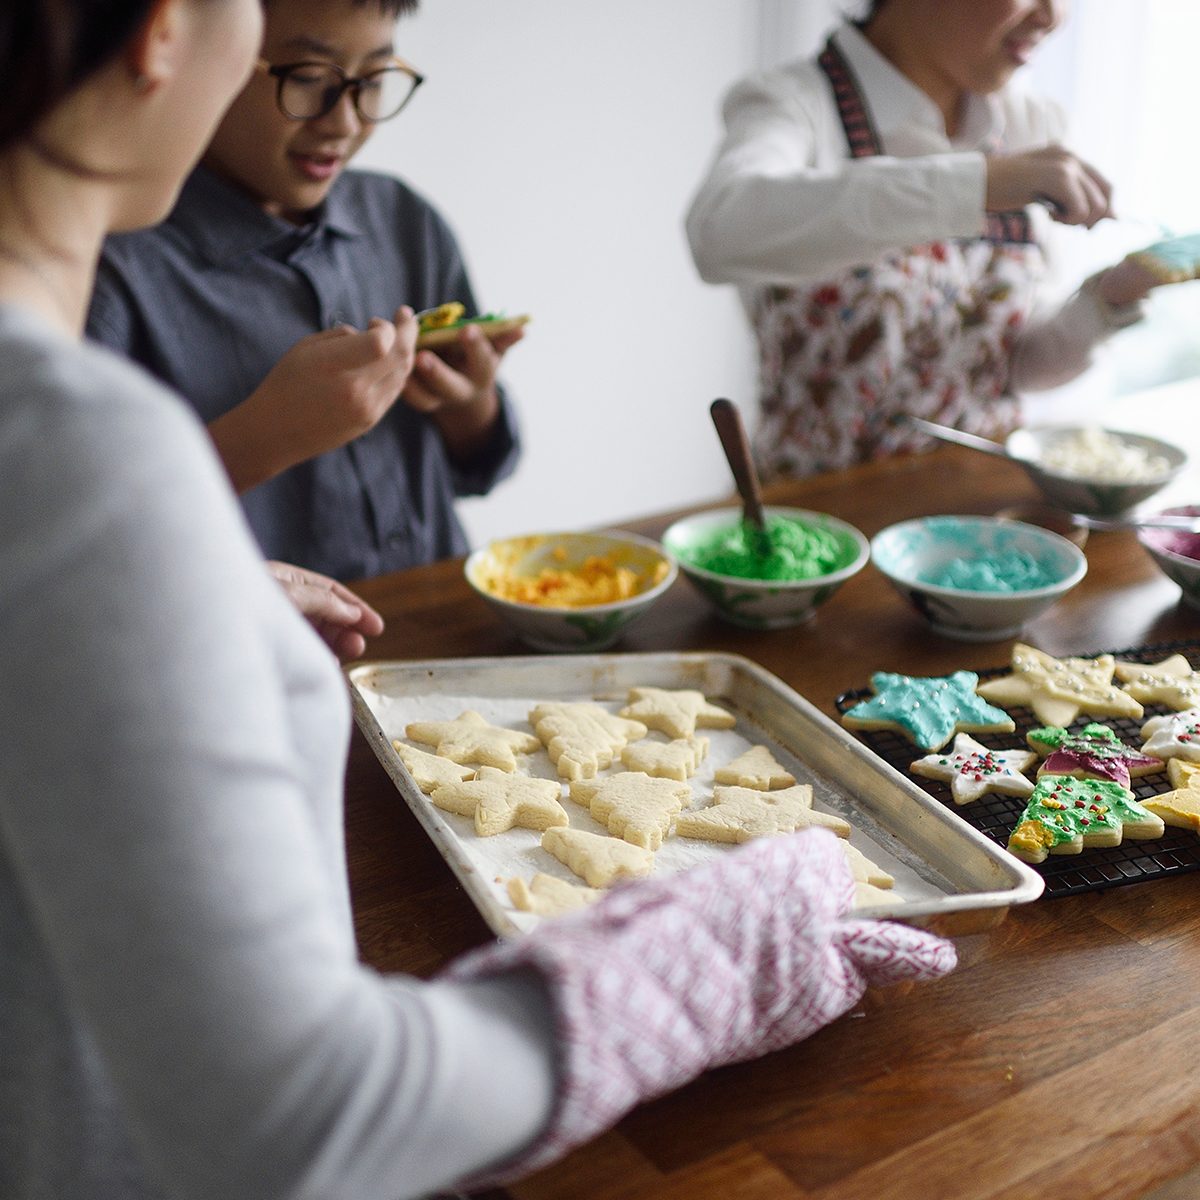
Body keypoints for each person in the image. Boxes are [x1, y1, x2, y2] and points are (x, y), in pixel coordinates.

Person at [0, 2, 957, 1197]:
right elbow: (304, 1123)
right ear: (164, 32)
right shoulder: (92, 449)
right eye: (279, 56)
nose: (337, 112)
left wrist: (206, 574)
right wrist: (700, 959)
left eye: (377, 80)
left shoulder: (84, 456)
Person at [85, 0, 523, 581]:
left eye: (373, 81)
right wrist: (261, 435)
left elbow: (480, 468)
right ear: (213, 55)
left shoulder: (405, 221)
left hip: (442, 616)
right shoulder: (114, 271)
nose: (343, 122)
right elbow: (86, 541)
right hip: (261, 654)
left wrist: (471, 408)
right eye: (308, 78)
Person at [685, 0, 1165, 480]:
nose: (1053, 16)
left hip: (980, 509)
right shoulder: (794, 104)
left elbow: (1010, 367)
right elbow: (720, 229)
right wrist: (975, 184)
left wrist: (1108, 301)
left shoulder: (1030, 125)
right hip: (820, 520)